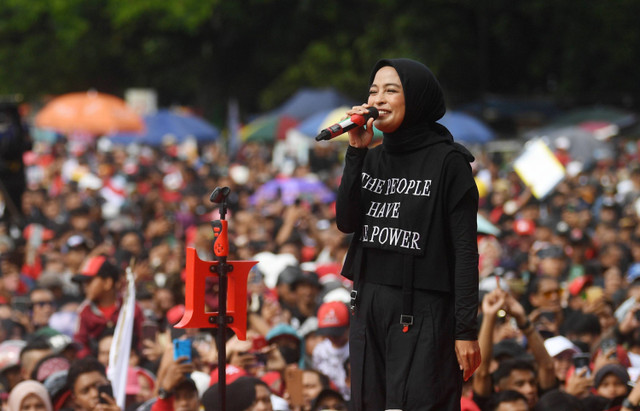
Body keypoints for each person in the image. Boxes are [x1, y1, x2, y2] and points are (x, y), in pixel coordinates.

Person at [336, 58, 480, 410]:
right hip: (368, 303)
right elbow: (346, 221)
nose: (378, 99)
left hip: (424, 309)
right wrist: (356, 152)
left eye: (391, 90)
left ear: (416, 99)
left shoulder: (449, 162)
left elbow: (464, 251)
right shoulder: (372, 157)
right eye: (373, 91)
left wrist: (465, 329)